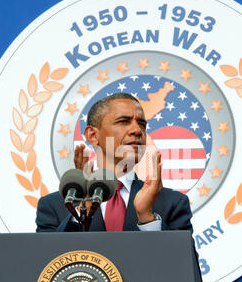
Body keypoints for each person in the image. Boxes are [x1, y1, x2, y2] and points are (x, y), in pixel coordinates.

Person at [36, 93, 193, 233]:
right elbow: (47, 262)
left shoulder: (174, 203)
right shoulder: (54, 206)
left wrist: (147, 218)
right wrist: (83, 209)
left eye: (142, 124)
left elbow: (183, 263)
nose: (137, 130)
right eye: (123, 121)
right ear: (92, 135)